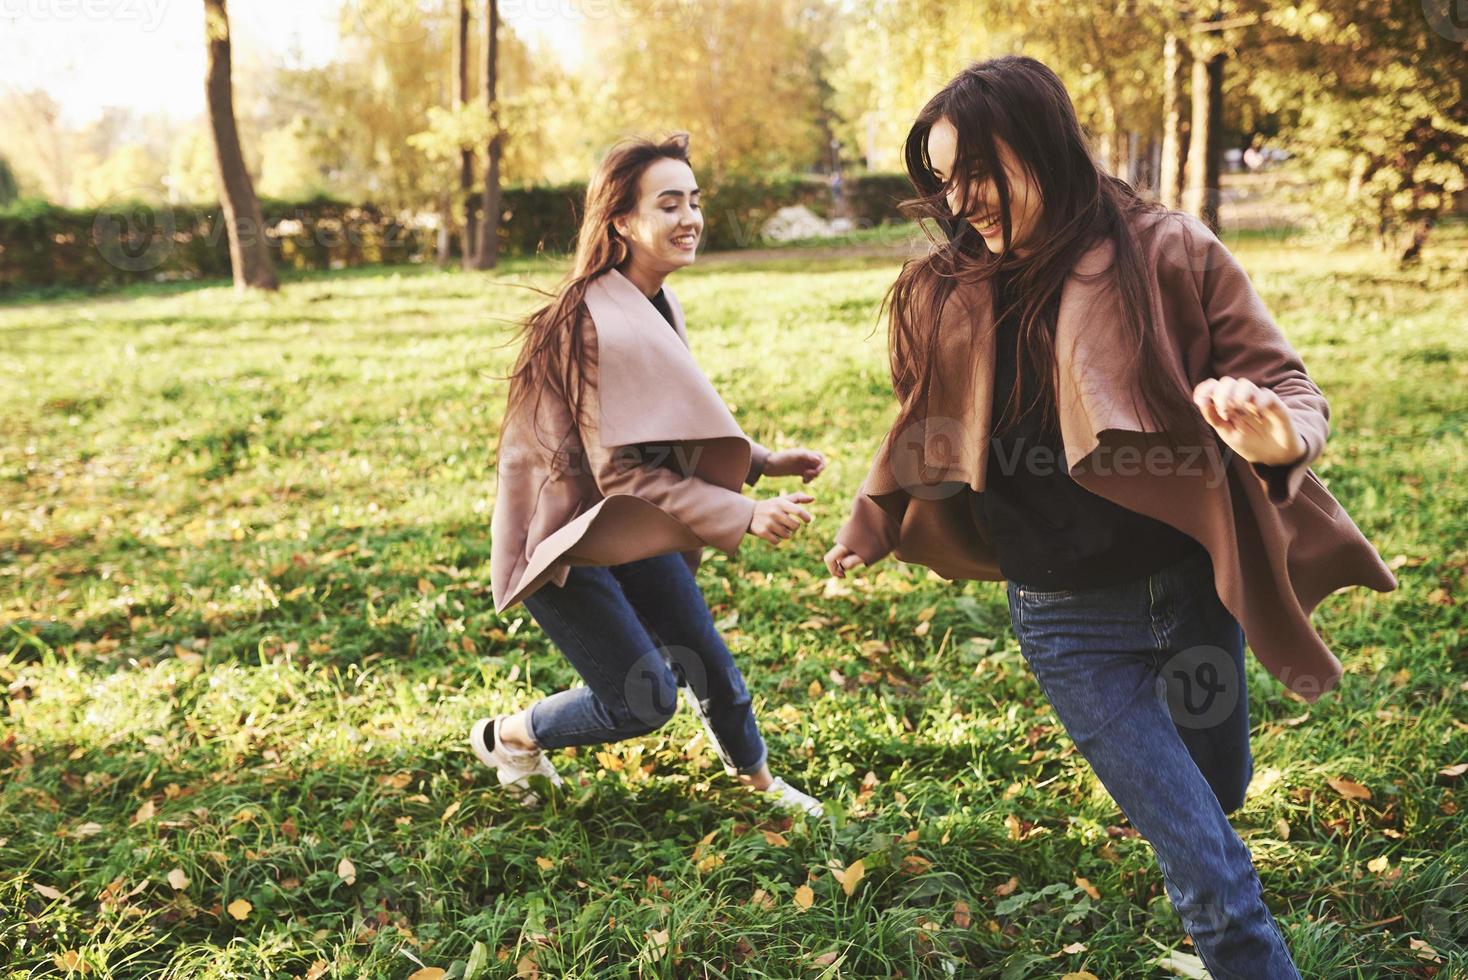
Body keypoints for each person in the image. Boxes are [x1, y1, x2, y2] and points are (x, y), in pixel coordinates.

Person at [824, 56, 1397, 979]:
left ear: (1043, 143)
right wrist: (874, 513)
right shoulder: (949, 289)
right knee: (1208, 866)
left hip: (1190, 585)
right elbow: (921, 419)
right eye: (942, 179)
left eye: (978, 170)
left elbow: (1287, 381)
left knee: (1221, 788)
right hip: (1065, 618)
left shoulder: (1169, 249)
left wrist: (1278, 436)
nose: (959, 199)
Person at [484, 132, 826, 815]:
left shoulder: (655, 300)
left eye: (694, 201)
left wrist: (757, 464)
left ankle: (760, 786)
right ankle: (509, 735)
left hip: (623, 524)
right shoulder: (587, 320)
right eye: (669, 204)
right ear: (620, 220)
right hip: (567, 539)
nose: (690, 218)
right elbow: (622, 475)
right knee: (644, 702)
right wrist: (741, 514)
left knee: (709, 659)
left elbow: (661, 425)